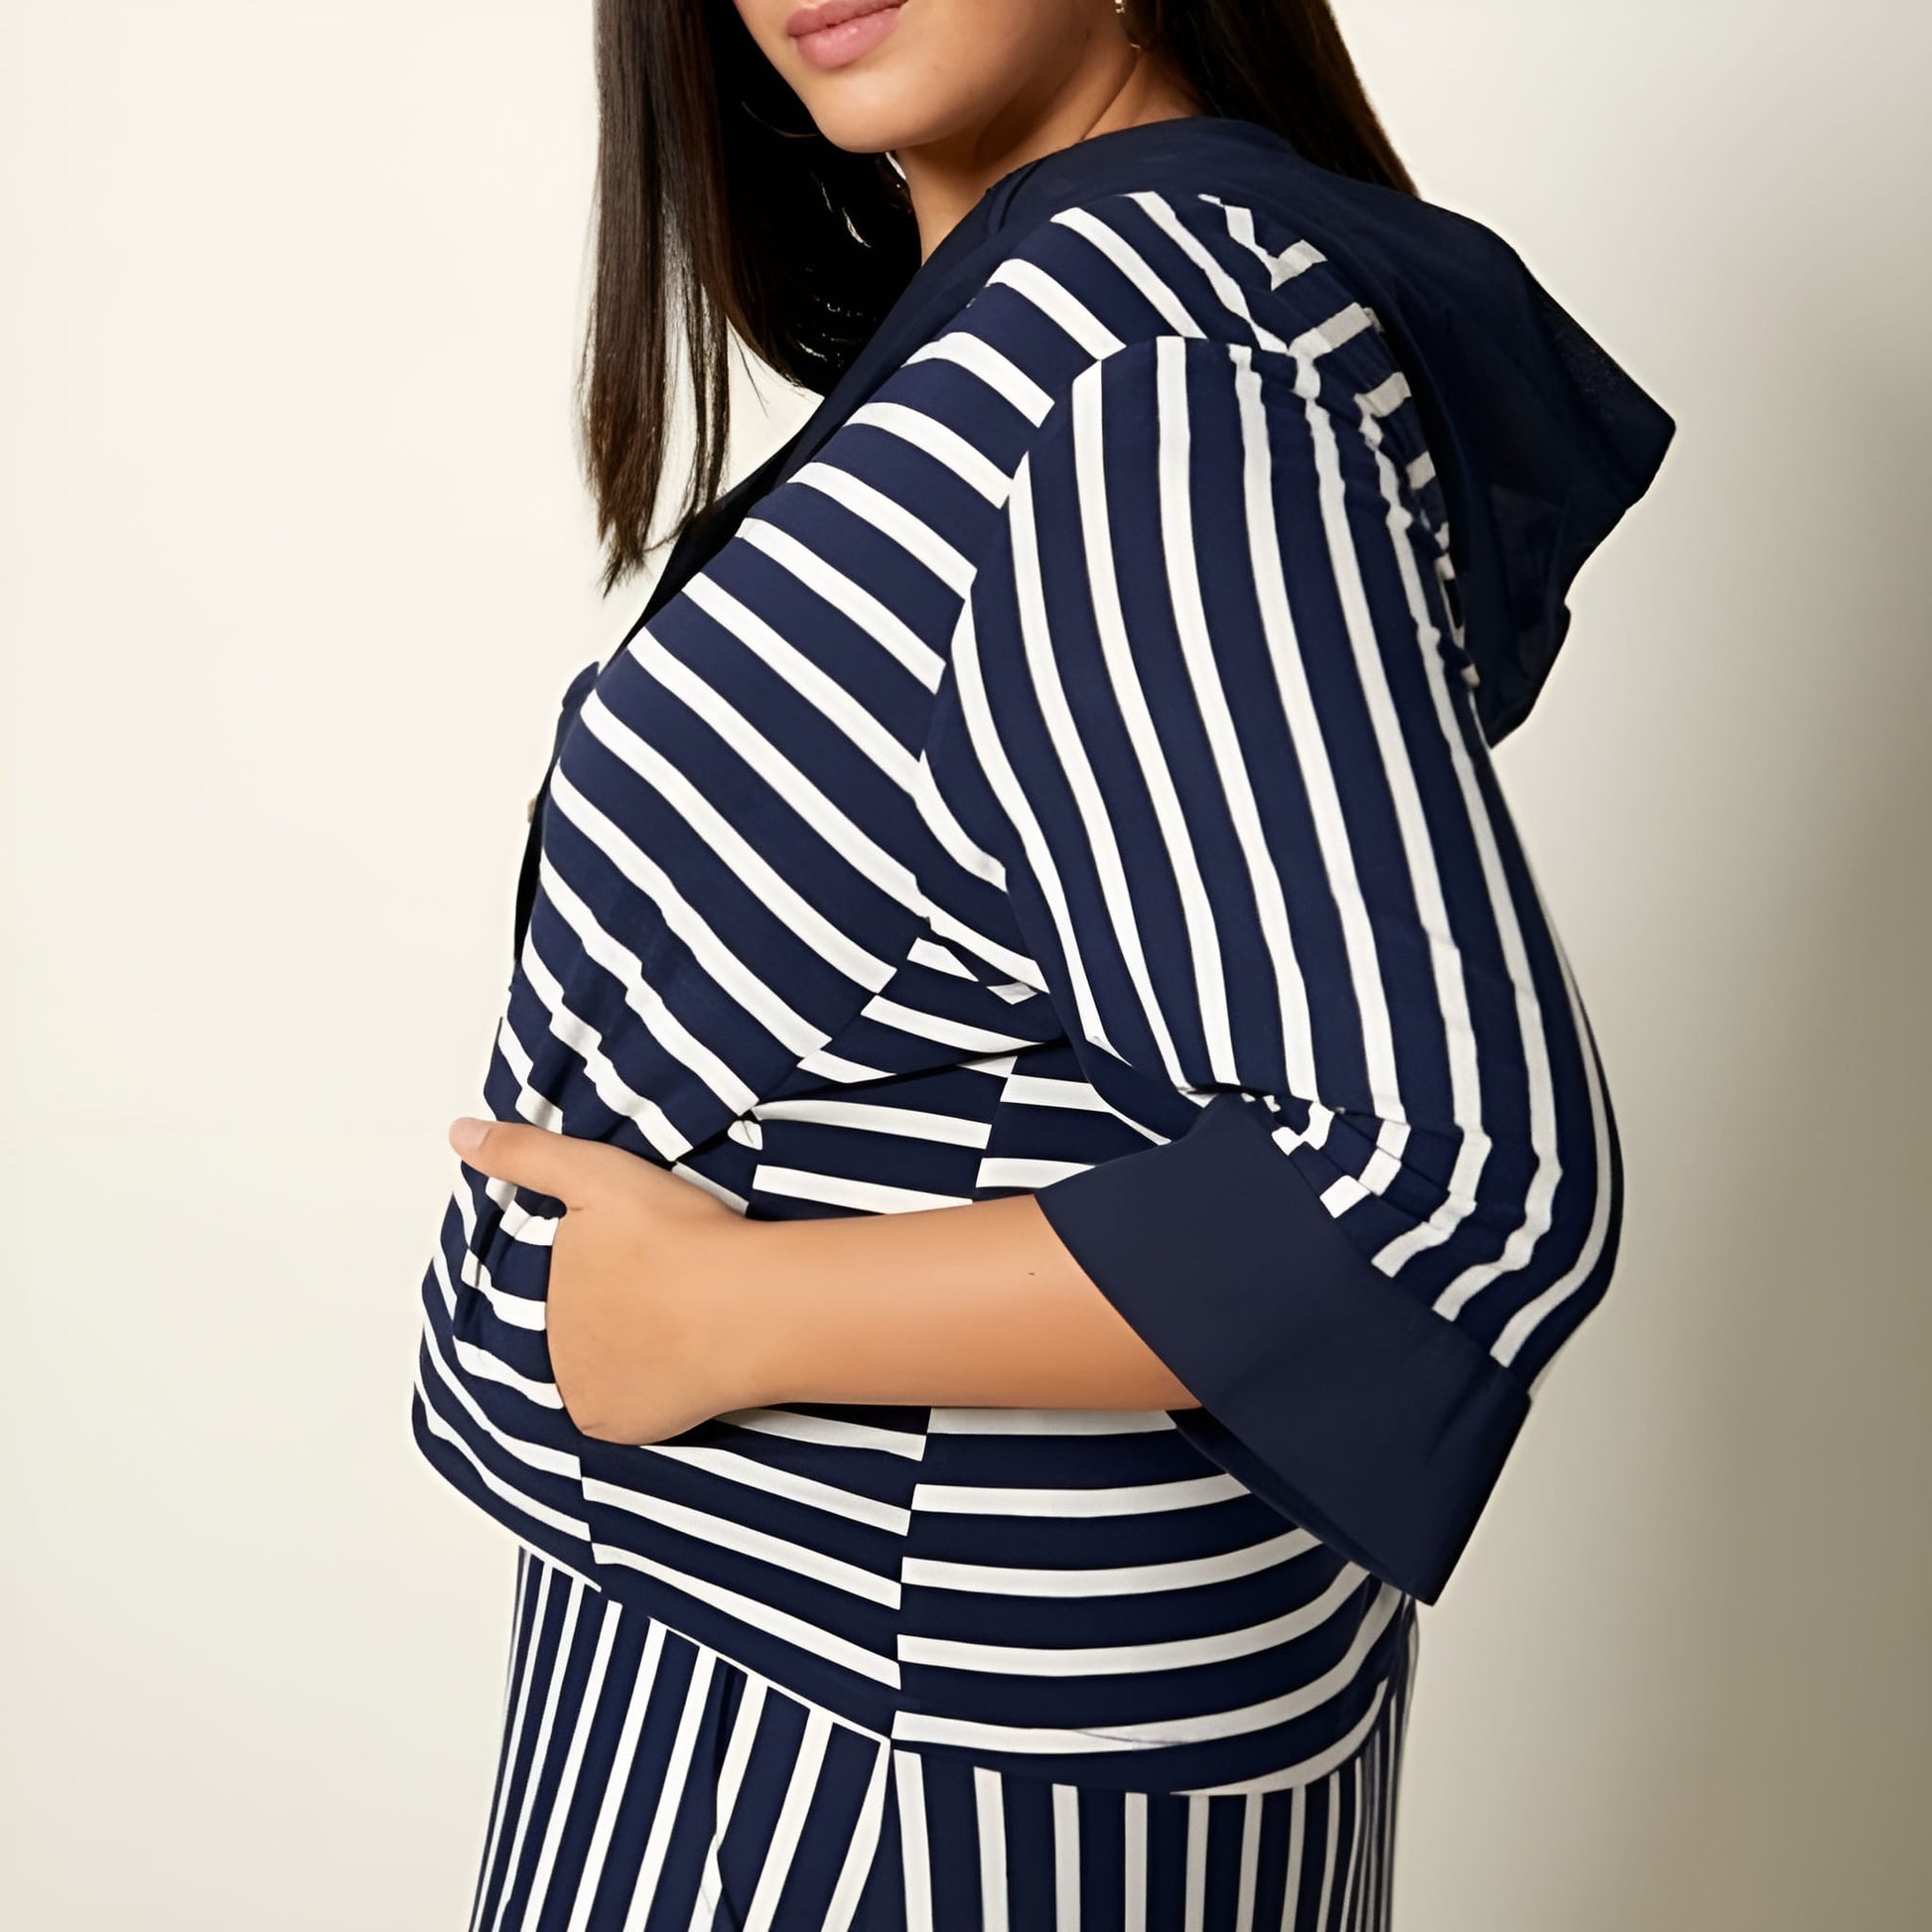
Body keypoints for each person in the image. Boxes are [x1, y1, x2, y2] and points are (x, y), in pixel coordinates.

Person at [411, 1, 1674, 1924]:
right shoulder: (1064, 335)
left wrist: (729, 1313)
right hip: (813, 1706)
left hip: (885, 1776)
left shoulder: (1139, 372)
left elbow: (1448, 1179)